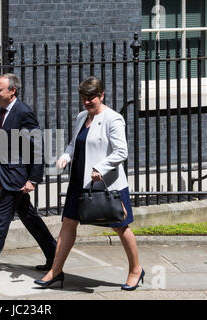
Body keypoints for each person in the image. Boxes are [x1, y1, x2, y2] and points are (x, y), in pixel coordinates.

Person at [34, 76, 144, 291]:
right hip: (79, 180)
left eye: (91, 98)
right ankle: (55, 271)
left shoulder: (113, 119)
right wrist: (66, 156)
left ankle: (136, 270)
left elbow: (122, 152)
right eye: (84, 98)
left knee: (120, 226)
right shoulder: (81, 116)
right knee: (68, 224)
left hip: (107, 184)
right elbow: (74, 144)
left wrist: (100, 168)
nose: (87, 102)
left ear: (101, 95)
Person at [0, 73, 57, 279]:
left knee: (1, 220)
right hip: (8, 174)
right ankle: (54, 254)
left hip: (17, 176)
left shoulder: (23, 112)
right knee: (29, 217)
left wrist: (33, 179)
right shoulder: (4, 110)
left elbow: (37, 146)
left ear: (12, 91)